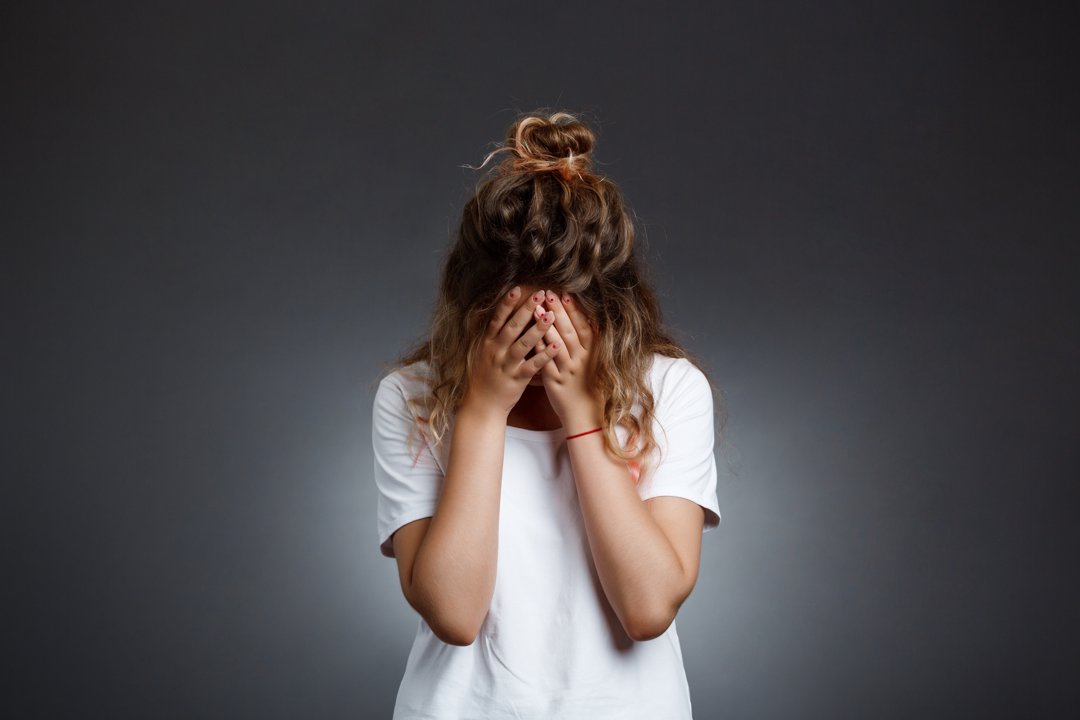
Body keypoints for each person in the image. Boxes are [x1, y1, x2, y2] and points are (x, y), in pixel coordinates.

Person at [371, 109, 723, 719]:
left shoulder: (668, 390)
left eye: (560, 314)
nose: (540, 335)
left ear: (607, 301)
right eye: (514, 315)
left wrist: (584, 414)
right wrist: (481, 412)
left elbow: (648, 608)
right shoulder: (414, 396)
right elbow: (455, 614)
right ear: (473, 300)